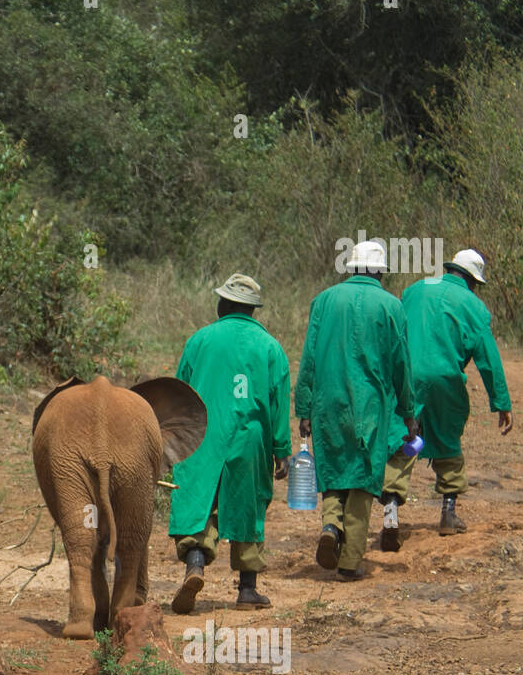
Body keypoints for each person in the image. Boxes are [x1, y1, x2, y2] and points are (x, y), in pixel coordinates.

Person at [168, 273, 292, 611]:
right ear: (252, 310)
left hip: (202, 432)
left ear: (223, 304)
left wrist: (172, 438)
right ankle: (247, 590)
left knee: (199, 495)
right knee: (248, 503)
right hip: (249, 437)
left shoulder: (200, 340)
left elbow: (180, 392)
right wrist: (282, 451)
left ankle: (195, 563)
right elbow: (279, 403)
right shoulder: (270, 347)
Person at [296, 240, 418, 580]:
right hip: (370, 408)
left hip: (327, 402)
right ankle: (349, 562)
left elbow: (309, 359)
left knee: (334, 468)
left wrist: (304, 408)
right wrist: (408, 412)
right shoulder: (392, 306)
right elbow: (401, 366)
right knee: (364, 479)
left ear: (351, 267)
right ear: (380, 271)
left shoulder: (323, 301)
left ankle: (331, 525)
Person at [379, 248, 513, 548]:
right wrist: (501, 402)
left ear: (450, 269)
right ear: (472, 281)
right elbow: (488, 359)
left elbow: (392, 330)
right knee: (447, 439)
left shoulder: (414, 290)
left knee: (403, 439)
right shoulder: (475, 306)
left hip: (406, 377)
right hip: (445, 378)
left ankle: (390, 512)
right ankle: (448, 514)